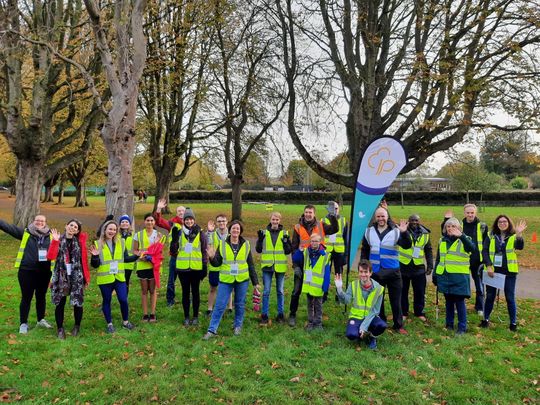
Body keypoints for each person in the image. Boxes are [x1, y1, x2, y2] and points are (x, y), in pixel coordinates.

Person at [203, 221, 260, 339]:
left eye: (238, 229)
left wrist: (255, 283)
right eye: (233, 228)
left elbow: (250, 264)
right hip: (226, 279)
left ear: (240, 231)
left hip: (242, 279)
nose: (235, 231)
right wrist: (212, 257)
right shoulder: (223, 244)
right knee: (219, 305)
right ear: (230, 230)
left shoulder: (246, 244)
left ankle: (237, 325)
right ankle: (212, 330)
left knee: (239, 304)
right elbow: (217, 262)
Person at [360, 207, 411, 334]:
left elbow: (407, 245)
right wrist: (363, 266)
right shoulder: (368, 231)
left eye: (383, 216)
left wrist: (404, 233)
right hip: (376, 272)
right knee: (378, 300)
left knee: (396, 300)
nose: (381, 219)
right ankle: (381, 321)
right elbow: (365, 250)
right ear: (375, 218)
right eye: (378, 216)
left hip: (393, 271)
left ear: (387, 216)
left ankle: (398, 325)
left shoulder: (396, 231)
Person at [0, 214, 54, 334]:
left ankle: (40, 319)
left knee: (41, 296)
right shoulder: (26, 233)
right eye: (37, 220)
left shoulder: (52, 236)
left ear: (45, 223)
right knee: (26, 297)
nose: (39, 222)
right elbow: (9, 228)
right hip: (27, 271)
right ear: (33, 221)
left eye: (42, 221)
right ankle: (23, 323)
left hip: (44, 272)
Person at [288, 204, 338, 327]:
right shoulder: (298, 227)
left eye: (310, 212)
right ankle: (292, 314)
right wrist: (296, 266)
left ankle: (316, 318)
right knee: (296, 291)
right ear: (304, 213)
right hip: (302, 264)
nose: (308, 214)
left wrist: (332, 216)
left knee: (317, 291)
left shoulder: (321, 225)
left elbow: (335, 229)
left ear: (314, 214)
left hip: (317, 265)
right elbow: (294, 248)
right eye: (306, 212)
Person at [90, 220, 138, 333]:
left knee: (123, 299)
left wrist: (136, 256)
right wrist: (95, 257)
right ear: (105, 230)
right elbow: (94, 265)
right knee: (107, 300)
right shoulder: (97, 244)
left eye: (114, 230)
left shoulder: (121, 242)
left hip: (119, 277)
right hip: (105, 278)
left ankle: (126, 322)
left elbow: (125, 258)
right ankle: (109, 324)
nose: (112, 231)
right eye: (110, 229)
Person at [480, 216, 526, 331]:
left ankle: (513, 323)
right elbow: (484, 251)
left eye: (505, 221)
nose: (502, 223)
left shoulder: (513, 235)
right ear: (497, 223)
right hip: (493, 271)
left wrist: (519, 234)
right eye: (500, 222)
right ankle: (485, 320)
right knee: (490, 296)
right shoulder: (491, 235)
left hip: (509, 271)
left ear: (509, 223)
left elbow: (520, 247)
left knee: (510, 297)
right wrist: (489, 265)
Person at [442, 204, 489, 316]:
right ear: (464, 213)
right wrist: (446, 220)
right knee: (457, 285)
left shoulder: (482, 226)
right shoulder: (459, 224)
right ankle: (456, 306)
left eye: (472, 212)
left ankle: (479, 307)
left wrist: (486, 260)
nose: (470, 215)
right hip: (461, 261)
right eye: (468, 212)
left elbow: (486, 243)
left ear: (475, 213)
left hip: (477, 261)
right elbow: (446, 233)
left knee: (479, 285)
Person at [433, 217, 476, 335]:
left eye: (453, 226)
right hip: (445, 275)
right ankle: (449, 324)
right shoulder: (442, 241)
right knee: (448, 301)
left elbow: (472, 248)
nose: (450, 228)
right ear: (445, 229)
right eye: (448, 226)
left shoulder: (465, 239)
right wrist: (435, 273)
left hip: (459, 277)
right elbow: (438, 259)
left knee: (459, 301)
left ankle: (462, 327)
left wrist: (461, 236)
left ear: (459, 228)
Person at [47, 220, 89, 339]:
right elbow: (51, 256)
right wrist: (55, 241)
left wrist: (86, 278)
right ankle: (60, 329)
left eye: (75, 227)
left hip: (76, 276)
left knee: (78, 303)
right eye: (71, 225)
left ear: (77, 231)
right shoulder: (58, 239)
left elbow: (84, 261)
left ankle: (77, 326)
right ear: (66, 226)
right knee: (60, 303)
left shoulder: (79, 242)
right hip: (61, 275)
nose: (72, 228)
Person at [335, 260, 387, 350]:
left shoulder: (379, 289)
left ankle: (372, 337)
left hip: (370, 317)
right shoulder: (353, 285)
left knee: (382, 325)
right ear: (358, 272)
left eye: (366, 272)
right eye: (361, 272)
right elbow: (346, 301)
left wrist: (364, 326)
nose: (363, 275)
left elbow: (375, 311)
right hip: (356, 317)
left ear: (370, 273)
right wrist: (339, 289)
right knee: (351, 335)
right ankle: (360, 333)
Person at [169, 208, 208, 326]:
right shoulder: (179, 232)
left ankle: (195, 316)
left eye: (191, 219)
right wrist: (174, 240)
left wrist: (204, 266)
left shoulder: (200, 232)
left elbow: (204, 250)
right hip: (183, 268)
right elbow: (173, 251)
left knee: (195, 292)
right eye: (187, 219)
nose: (189, 221)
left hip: (196, 268)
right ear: (183, 220)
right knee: (185, 293)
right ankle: (186, 316)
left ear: (194, 220)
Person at [255, 212, 292, 324]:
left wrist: (286, 243)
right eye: (273, 219)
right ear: (270, 220)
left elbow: (288, 251)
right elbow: (258, 249)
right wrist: (260, 240)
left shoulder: (284, 233)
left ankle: (280, 315)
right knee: (266, 291)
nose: (275, 222)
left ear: (280, 221)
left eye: (277, 220)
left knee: (280, 291)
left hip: (280, 267)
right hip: (267, 266)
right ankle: (264, 315)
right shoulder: (264, 233)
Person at [291, 233, 331, 331]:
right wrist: (299, 251)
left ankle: (318, 323)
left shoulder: (325, 254)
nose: (314, 243)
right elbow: (295, 258)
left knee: (318, 305)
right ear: (310, 242)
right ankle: (310, 322)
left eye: (316, 241)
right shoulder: (306, 252)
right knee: (309, 304)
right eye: (312, 241)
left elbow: (327, 272)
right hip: (308, 284)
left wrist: (325, 286)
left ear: (320, 242)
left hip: (318, 285)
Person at [399, 214, 433, 321]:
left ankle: (419, 312)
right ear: (408, 221)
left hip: (418, 267)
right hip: (403, 265)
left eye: (416, 220)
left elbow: (428, 250)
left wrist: (430, 265)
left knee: (419, 291)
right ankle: (404, 312)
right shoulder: (402, 231)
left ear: (419, 221)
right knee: (403, 291)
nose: (414, 222)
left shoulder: (425, 234)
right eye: (412, 220)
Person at [153, 198, 185, 307]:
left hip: (186, 258)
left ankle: (186, 298)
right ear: (176, 213)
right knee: (171, 279)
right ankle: (170, 300)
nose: (181, 213)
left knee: (186, 280)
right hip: (175, 257)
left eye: (183, 211)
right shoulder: (172, 223)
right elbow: (159, 222)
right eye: (179, 211)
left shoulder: (190, 223)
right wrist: (158, 209)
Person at [133, 213, 165, 322]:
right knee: (144, 290)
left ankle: (152, 313)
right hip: (142, 265)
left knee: (152, 290)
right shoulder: (138, 235)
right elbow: (135, 250)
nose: (150, 222)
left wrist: (152, 255)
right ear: (144, 221)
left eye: (152, 220)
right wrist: (140, 256)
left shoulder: (159, 235)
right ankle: (145, 314)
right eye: (147, 220)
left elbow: (160, 251)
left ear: (154, 222)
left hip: (154, 266)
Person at [206, 214, 233, 316]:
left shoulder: (231, 234)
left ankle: (230, 307)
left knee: (229, 288)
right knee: (213, 288)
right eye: (219, 221)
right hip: (215, 266)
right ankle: (210, 308)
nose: (221, 223)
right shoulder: (212, 234)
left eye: (223, 221)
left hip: (227, 266)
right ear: (216, 223)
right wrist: (209, 232)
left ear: (227, 222)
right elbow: (208, 245)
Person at [322, 201, 348, 302]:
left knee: (339, 274)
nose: (334, 210)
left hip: (339, 252)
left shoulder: (343, 221)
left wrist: (345, 255)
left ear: (339, 209)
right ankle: (324, 293)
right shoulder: (323, 220)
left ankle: (339, 294)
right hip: (327, 251)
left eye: (336, 208)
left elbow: (346, 239)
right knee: (325, 273)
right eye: (332, 208)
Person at [118, 215, 135, 295]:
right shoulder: (116, 235)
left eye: (126, 222)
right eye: (122, 222)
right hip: (118, 263)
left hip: (129, 263)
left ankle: (125, 297)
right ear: (120, 224)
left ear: (129, 224)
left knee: (126, 281)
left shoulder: (133, 235)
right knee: (118, 281)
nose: (124, 223)